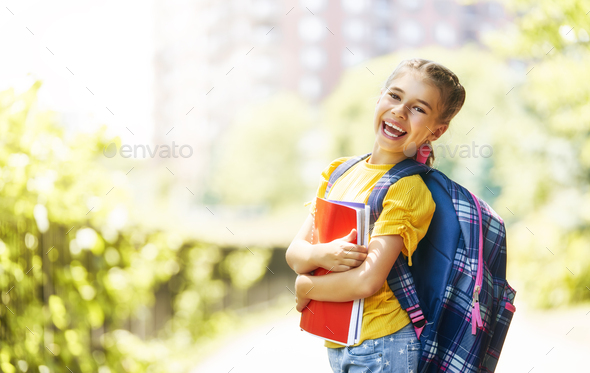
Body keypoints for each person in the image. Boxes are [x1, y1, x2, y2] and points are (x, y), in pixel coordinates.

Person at [286, 58, 466, 373]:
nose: (399, 110)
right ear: (380, 97)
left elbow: (368, 280)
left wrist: (306, 287)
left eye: (419, 108)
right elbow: (296, 254)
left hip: (383, 346)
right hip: (339, 343)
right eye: (394, 96)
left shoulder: (408, 189)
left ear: (437, 131)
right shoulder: (338, 171)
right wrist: (321, 254)